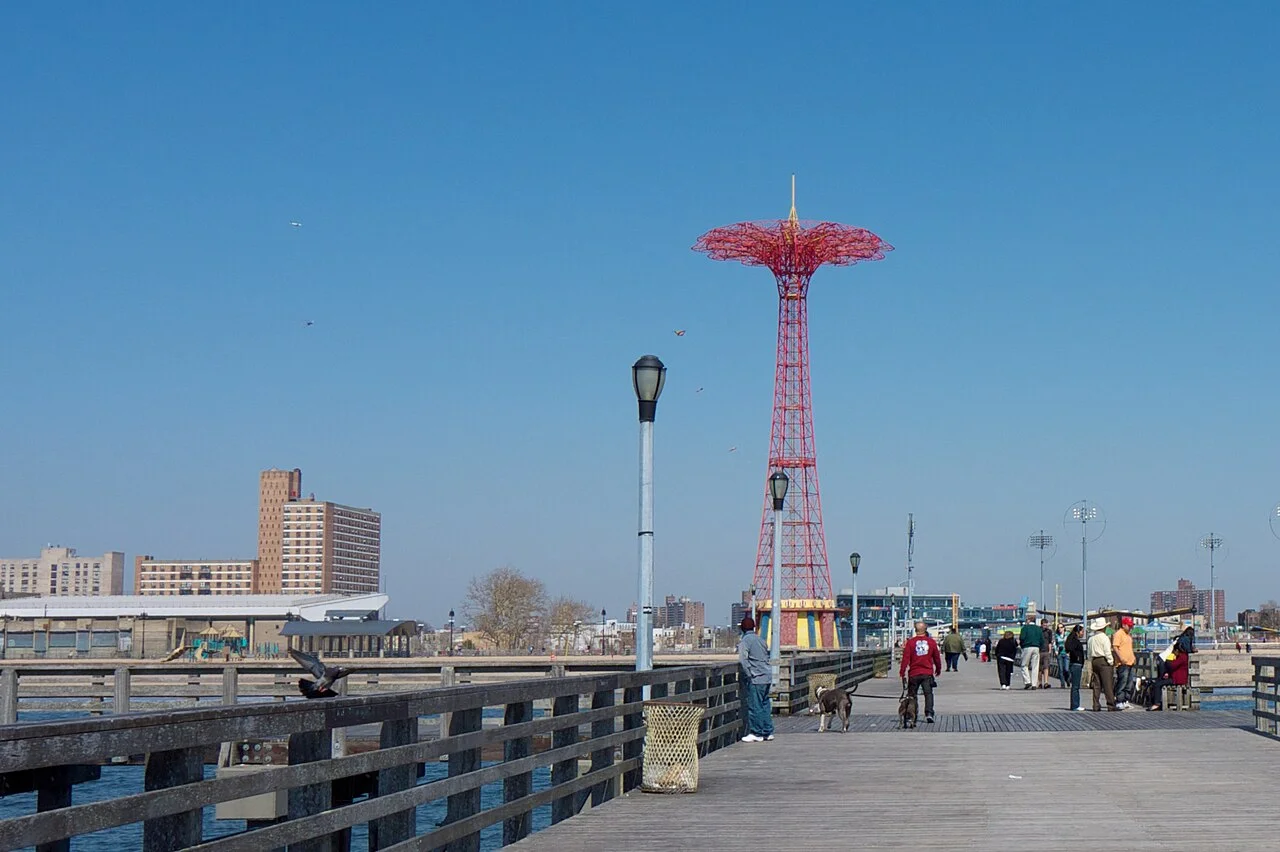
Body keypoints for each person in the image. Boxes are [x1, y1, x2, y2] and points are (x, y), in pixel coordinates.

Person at [736, 617, 774, 742]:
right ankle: (767, 732)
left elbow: (743, 659)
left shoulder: (745, 641)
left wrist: (748, 674)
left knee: (755, 706)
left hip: (756, 677)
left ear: (742, 628)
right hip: (767, 676)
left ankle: (756, 733)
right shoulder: (761, 640)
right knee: (765, 705)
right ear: (753, 627)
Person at [900, 621, 943, 723]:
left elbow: (905, 658)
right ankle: (929, 713)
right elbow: (936, 657)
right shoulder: (931, 642)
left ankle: (912, 714)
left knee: (912, 695)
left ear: (915, 630)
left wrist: (902, 671)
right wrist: (938, 668)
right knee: (928, 694)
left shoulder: (910, 642)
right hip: (927, 673)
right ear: (925, 630)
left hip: (914, 673)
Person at [1088, 617, 1119, 711]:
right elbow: (1107, 652)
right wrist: (1111, 662)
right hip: (1103, 661)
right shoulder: (1104, 638)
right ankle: (1110, 705)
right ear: (1103, 628)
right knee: (1107, 684)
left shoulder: (1091, 639)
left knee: (1097, 684)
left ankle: (1096, 705)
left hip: (1094, 661)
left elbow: (1089, 653)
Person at [1145, 645, 1189, 710]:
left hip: (1177, 680)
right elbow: (1173, 668)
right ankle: (1155, 701)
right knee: (1156, 682)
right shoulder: (1181, 656)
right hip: (1174, 678)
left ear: (1177, 651)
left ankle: (1157, 704)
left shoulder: (1182, 657)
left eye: (1174, 652)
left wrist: (1167, 660)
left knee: (1158, 684)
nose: (1173, 653)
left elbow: (1172, 665)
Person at [1112, 616, 1137, 709]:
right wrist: (1120, 658)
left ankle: (1126, 700)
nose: (1130, 628)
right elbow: (1115, 647)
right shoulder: (1119, 634)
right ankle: (1119, 700)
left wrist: (1133, 657)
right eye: (1129, 626)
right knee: (1122, 681)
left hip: (1130, 662)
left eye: (1131, 626)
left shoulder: (1128, 635)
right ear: (1124, 625)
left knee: (1129, 683)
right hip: (1122, 663)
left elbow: (1129, 648)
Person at [1065, 624, 1086, 710]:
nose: (1083, 633)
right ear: (1078, 632)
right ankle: (1075, 705)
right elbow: (1072, 650)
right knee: (1076, 686)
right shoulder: (1075, 641)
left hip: (1074, 664)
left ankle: (1075, 704)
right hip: (1076, 664)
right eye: (1082, 631)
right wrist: (1077, 657)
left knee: (1075, 686)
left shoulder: (1071, 640)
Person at [1019, 616, 1043, 689]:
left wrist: (1022, 646)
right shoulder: (1038, 629)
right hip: (1036, 647)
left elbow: (1022, 638)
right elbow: (1042, 640)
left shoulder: (1025, 628)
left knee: (1024, 665)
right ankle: (1034, 684)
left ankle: (1027, 681)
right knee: (1035, 666)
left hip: (1027, 647)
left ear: (1028, 620)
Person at [1038, 619, 1053, 688]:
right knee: (1039, 668)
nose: (1045, 626)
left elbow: (1050, 642)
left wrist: (1050, 651)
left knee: (1046, 667)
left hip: (1046, 651)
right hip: (1039, 651)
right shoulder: (1038, 631)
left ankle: (1046, 682)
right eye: (1044, 625)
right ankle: (1040, 682)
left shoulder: (1049, 631)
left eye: (1046, 625)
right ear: (1041, 624)